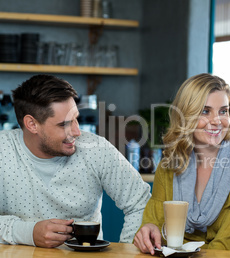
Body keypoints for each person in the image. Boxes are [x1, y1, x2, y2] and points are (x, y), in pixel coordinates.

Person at [0, 74, 151, 248]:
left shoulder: (96, 149)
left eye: (76, 119)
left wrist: (128, 256)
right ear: (32, 124)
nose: (77, 131)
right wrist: (28, 233)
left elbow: (140, 204)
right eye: (63, 124)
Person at [133, 73, 230, 254]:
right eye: (205, 111)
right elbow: (154, 231)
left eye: (223, 111)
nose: (217, 121)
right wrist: (149, 232)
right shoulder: (168, 168)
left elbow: (227, 249)